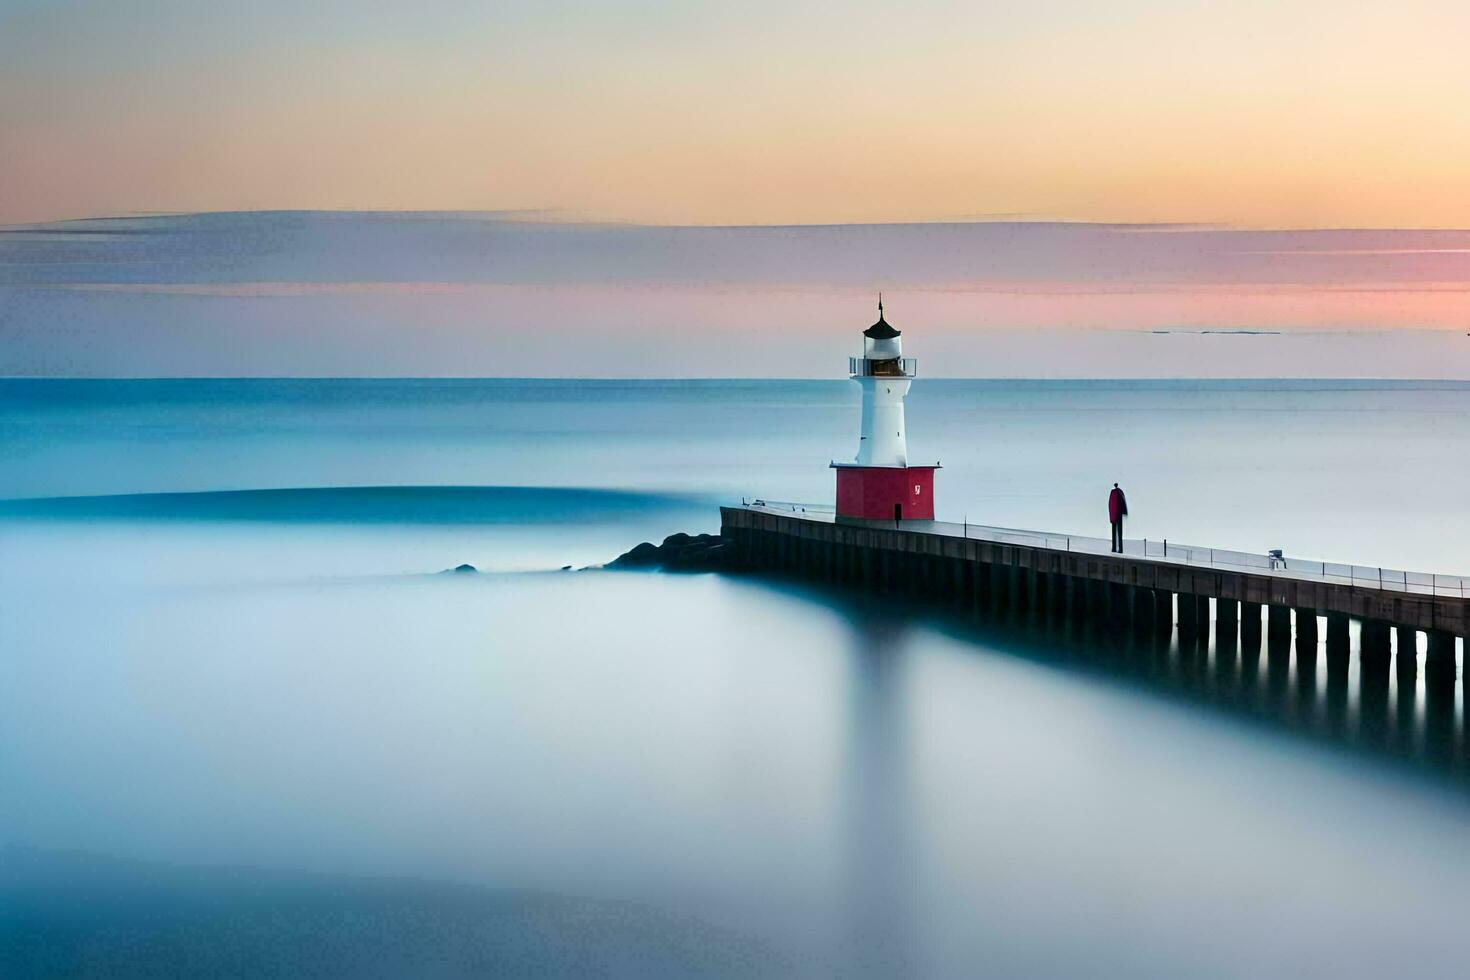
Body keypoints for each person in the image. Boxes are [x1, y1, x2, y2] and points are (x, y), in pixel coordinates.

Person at [1108, 483, 1128, 553]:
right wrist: (1124, 512)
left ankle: (1114, 548)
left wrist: (1111, 516)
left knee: (1114, 532)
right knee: (1119, 532)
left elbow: (1110, 504)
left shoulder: (1113, 493)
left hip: (1114, 514)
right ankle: (1120, 549)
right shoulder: (1120, 492)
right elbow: (1123, 502)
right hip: (1118, 514)